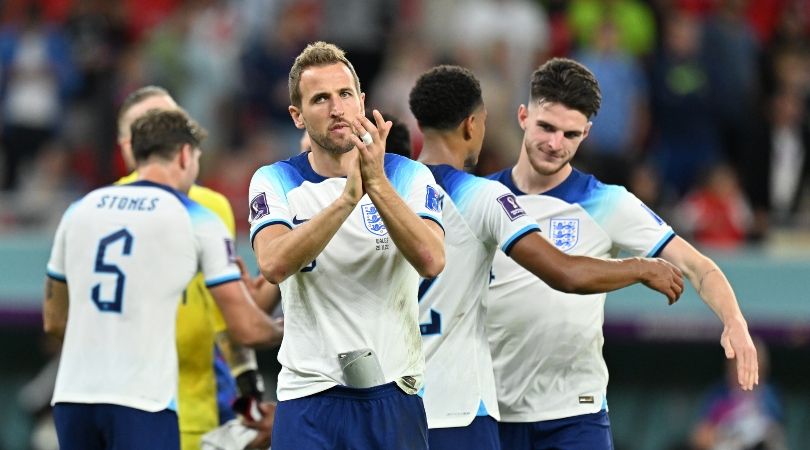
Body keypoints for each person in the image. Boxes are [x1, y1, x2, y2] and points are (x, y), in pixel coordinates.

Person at [485, 57, 759, 450]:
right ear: (524, 116)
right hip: (492, 412)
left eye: (570, 134)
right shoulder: (480, 197)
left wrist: (735, 321)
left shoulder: (607, 202)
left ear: (586, 133)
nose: (554, 143)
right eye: (546, 127)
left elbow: (699, 267)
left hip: (575, 414)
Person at [408, 64, 684, 450]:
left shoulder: (383, 195)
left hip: (394, 408)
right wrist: (639, 267)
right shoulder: (485, 196)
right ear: (472, 125)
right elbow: (565, 272)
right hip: (463, 411)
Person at [43, 109, 283, 450]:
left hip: (72, 399)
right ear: (186, 155)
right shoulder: (198, 217)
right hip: (144, 402)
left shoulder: (79, 209)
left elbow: (54, 321)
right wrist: (284, 328)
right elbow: (245, 329)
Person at [248, 41, 445, 450]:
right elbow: (272, 264)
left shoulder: (409, 175)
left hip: (394, 394)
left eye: (345, 95)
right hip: (309, 398)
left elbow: (431, 259)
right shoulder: (275, 180)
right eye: (320, 99)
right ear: (297, 116)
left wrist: (375, 184)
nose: (336, 108)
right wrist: (347, 199)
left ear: (362, 101)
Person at [115, 86, 276, 449]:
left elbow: (226, 321)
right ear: (127, 146)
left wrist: (249, 395)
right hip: (131, 408)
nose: (165, 133)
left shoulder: (211, 207)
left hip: (199, 408)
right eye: (149, 126)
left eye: (174, 123)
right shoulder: (106, 211)